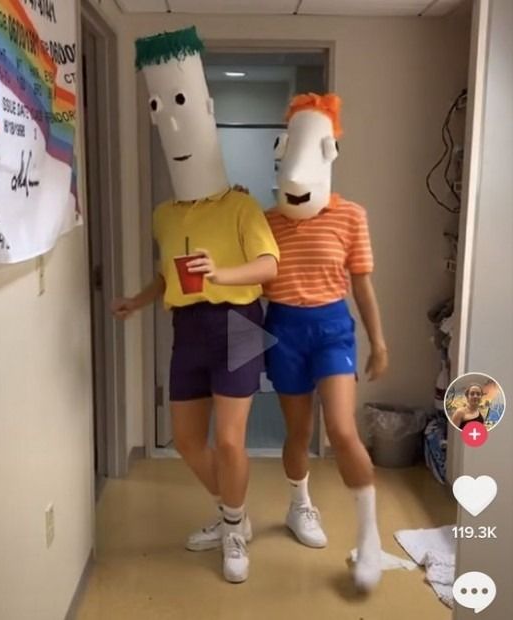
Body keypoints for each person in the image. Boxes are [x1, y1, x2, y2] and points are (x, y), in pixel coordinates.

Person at [112, 27, 279, 584]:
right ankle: (234, 511)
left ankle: (233, 529)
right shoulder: (165, 214)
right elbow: (169, 274)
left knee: (230, 440)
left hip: (240, 322)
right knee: (186, 440)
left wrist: (222, 272)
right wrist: (138, 300)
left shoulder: (240, 205)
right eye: (160, 109)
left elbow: (268, 267)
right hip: (189, 326)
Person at [263, 93, 388, 592]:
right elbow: (250, 286)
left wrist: (379, 342)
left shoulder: (350, 216)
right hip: (283, 329)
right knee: (297, 433)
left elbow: (361, 283)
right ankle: (299, 506)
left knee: (340, 428)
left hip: (332, 327)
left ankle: (370, 537)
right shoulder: (266, 220)